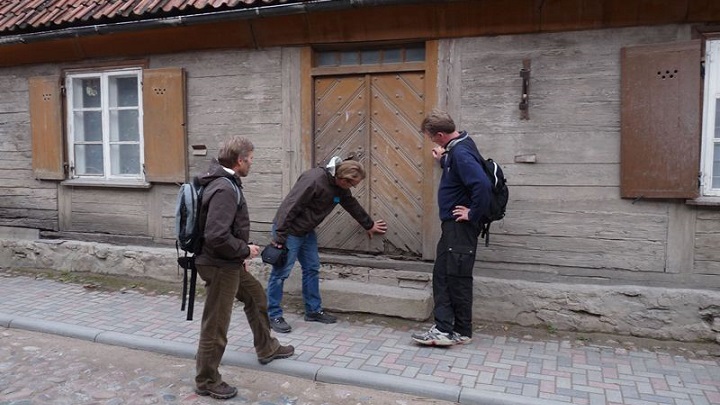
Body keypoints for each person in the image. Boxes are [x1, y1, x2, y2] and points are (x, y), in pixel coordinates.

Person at [194, 136, 294, 400]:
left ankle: (267, 347)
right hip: (219, 265)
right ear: (239, 161)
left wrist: (239, 252)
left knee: (256, 297)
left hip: (228, 261)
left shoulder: (223, 182)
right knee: (216, 325)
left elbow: (225, 230)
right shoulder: (225, 188)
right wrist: (244, 250)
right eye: (250, 160)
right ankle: (206, 379)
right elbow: (216, 235)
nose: (252, 164)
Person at [266, 158, 388, 333]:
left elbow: (350, 204)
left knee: (312, 268)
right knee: (280, 273)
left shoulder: (339, 186)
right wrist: (279, 238)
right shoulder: (314, 180)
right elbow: (289, 207)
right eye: (352, 185)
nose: (352, 188)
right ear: (343, 179)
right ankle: (273, 315)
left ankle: (313, 311)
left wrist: (368, 224)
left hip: (306, 231)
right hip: (289, 231)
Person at [411, 110, 491, 346]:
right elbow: (462, 172)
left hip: (459, 226)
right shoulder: (461, 146)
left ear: (440, 134)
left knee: (448, 276)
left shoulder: (461, 152)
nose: (431, 141)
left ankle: (444, 331)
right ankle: (462, 331)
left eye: (431, 138)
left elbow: (482, 185)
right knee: (456, 276)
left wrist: (472, 213)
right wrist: (444, 159)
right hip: (457, 228)